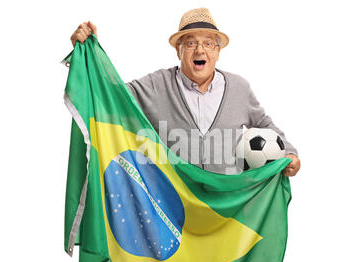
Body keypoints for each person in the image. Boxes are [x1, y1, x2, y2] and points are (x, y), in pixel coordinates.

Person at [70, 8, 301, 176]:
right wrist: (88, 55)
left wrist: (289, 154)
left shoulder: (239, 88)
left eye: (208, 44)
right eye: (190, 43)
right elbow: (111, 96)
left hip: (226, 212)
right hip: (174, 212)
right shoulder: (156, 85)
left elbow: (264, 124)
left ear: (217, 52)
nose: (200, 50)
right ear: (178, 51)